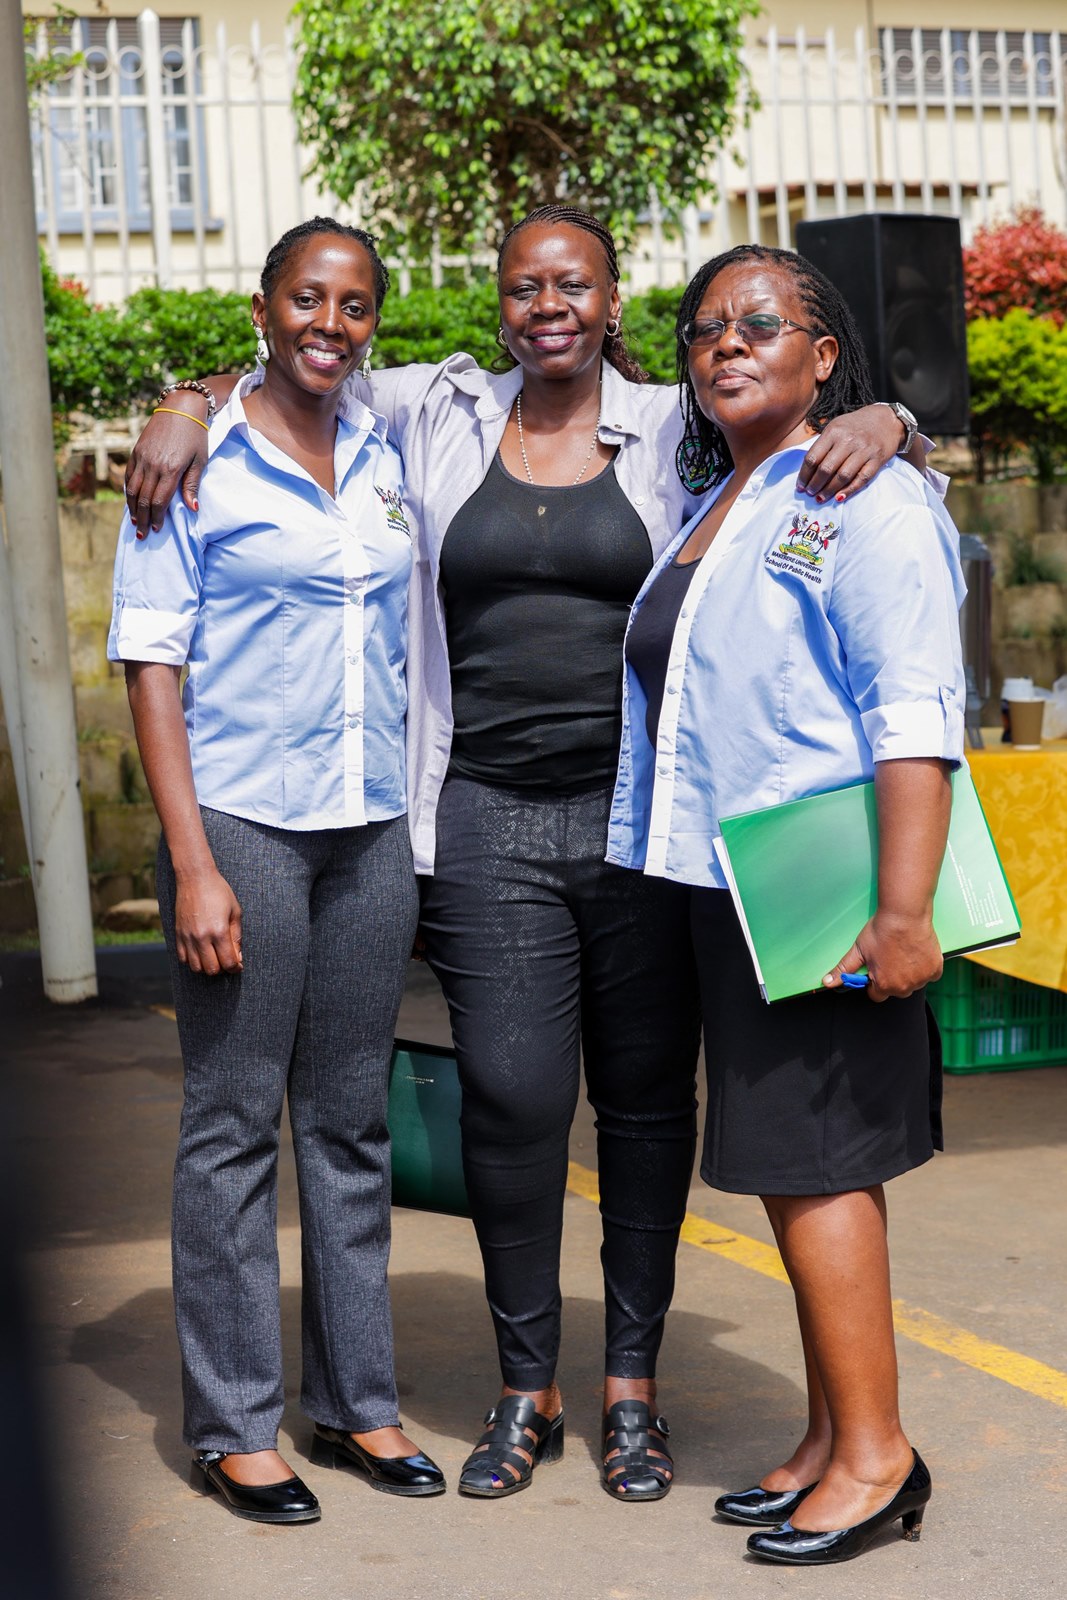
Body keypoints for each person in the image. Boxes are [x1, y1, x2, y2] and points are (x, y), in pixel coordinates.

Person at [123, 207, 937, 1504]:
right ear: (497, 305)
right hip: (481, 818)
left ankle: (631, 1389)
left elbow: (814, 446)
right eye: (521, 286)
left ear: (614, 302)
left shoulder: (681, 422)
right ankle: (524, 1386)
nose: (548, 304)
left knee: (646, 1103)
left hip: (640, 822)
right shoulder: (432, 414)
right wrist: (183, 399)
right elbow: (297, 365)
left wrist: (894, 420)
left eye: (575, 284)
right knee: (507, 1096)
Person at [609, 243, 965, 1562]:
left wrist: (905, 910)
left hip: (826, 887)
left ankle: (877, 1460)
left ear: (823, 357)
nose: (725, 342)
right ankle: (829, 1436)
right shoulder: (730, 492)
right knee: (793, 1169)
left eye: (759, 323)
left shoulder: (871, 498)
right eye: (705, 327)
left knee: (819, 1173)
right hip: (734, 883)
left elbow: (914, 714)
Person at [108, 218, 444, 1525]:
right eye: (307, 298)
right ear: (263, 308)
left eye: (354, 305)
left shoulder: (387, 447)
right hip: (241, 820)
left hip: (368, 830)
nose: (330, 324)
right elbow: (152, 665)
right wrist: (193, 865)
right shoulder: (195, 460)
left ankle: (356, 1403)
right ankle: (237, 1423)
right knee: (236, 1123)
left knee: (351, 1124)